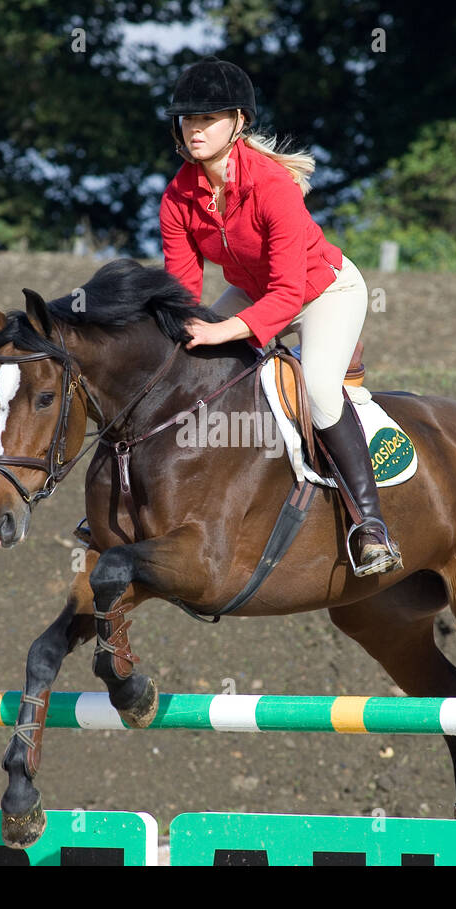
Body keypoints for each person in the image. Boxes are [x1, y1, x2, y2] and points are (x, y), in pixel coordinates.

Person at [159, 55, 401, 576]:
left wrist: (224, 328)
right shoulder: (179, 196)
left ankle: (370, 524)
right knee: (184, 360)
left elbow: (290, 292)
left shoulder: (273, 187)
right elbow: (183, 291)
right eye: (188, 119)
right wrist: (180, 331)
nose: (195, 129)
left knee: (315, 388)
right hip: (254, 292)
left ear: (239, 122)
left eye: (208, 118)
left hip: (324, 290)